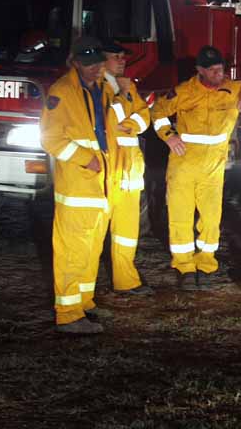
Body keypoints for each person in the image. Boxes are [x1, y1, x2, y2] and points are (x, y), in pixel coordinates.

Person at [151, 45, 241, 288]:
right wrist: (169, 136)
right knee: (180, 217)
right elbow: (157, 111)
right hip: (182, 167)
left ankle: (206, 264)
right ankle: (185, 266)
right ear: (199, 70)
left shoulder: (234, 88)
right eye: (212, 71)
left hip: (212, 170)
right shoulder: (184, 92)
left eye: (220, 69)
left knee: (211, 219)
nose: (218, 74)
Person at [40, 36, 113, 334]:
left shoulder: (102, 87)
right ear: (75, 63)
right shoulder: (61, 91)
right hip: (76, 186)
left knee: (91, 247)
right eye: (89, 63)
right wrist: (86, 159)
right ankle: (68, 314)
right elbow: (50, 139)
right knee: (73, 249)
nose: (96, 68)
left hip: (99, 182)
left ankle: (83, 301)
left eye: (99, 62)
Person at [102, 39, 154, 296]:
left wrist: (132, 123)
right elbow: (109, 121)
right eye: (116, 56)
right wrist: (123, 99)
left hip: (129, 173)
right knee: (92, 233)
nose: (122, 61)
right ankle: (81, 288)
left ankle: (126, 281)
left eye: (123, 56)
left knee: (126, 232)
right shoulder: (95, 87)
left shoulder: (127, 85)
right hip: (106, 171)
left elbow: (144, 116)